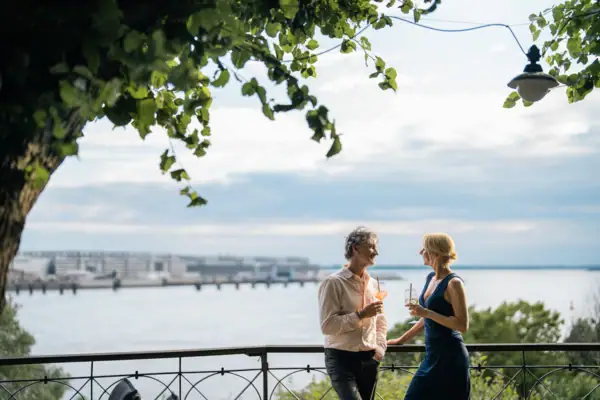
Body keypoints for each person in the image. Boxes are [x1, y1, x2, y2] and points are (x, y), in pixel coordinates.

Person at [387, 233, 470, 400]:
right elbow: (426, 319)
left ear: (435, 253)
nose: (420, 252)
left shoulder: (454, 283)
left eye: (424, 249)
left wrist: (426, 312)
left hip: (451, 357)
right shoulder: (431, 278)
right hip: (432, 356)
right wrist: (401, 340)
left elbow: (462, 325)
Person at [318, 227, 387, 400]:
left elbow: (381, 321)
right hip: (341, 359)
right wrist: (361, 315)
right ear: (355, 248)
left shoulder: (373, 284)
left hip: (370, 358)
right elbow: (327, 326)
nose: (376, 252)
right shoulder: (333, 283)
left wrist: (380, 348)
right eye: (371, 246)